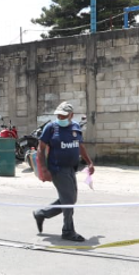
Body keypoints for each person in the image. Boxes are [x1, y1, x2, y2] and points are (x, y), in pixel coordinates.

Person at [33, 101, 95, 241]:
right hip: (57, 169)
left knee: (69, 199)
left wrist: (89, 162)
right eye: (59, 115)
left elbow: (80, 146)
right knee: (68, 200)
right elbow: (40, 149)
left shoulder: (75, 127)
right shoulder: (50, 128)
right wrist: (44, 169)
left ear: (71, 115)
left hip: (72, 168)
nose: (60, 118)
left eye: (63, 115)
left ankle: (41, 213)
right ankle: (68, 231)